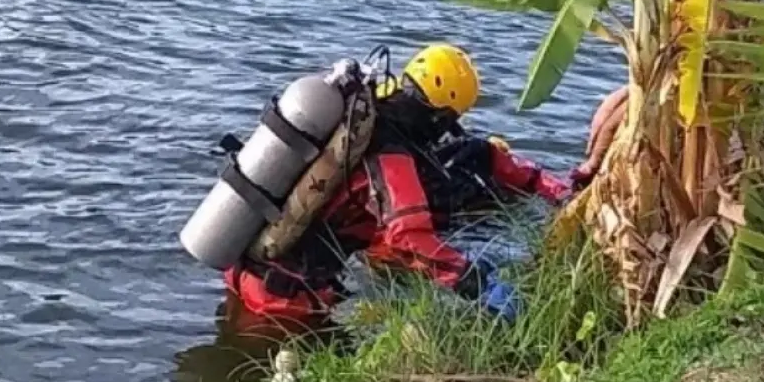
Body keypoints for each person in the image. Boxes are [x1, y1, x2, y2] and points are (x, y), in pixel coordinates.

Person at [221, 43, 573, 327]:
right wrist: (475, 280)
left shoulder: (363, 114)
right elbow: (409, 236)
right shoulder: (391, 152)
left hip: (250, 263)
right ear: (441, 116)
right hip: (286, 299)